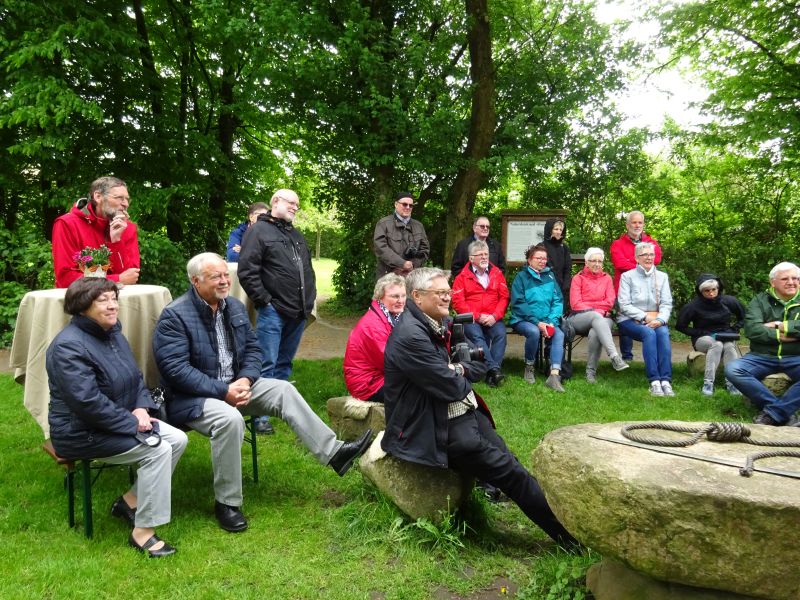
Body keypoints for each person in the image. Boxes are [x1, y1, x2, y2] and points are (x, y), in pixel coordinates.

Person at [153, 253, 371, 532]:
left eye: (225, 275)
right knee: (230, 420)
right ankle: (227, 503)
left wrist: (245, 380)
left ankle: (334, 452)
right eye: (216, 276)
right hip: (191, 399)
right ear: (196, 281)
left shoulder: (233, 307)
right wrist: (224, 390)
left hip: (235, 387)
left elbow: (253, 350)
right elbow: (176, 370)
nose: (224, 281)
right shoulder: (175, 315)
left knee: (282, 390)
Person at [382, 267, 578, 549]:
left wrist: (457, 368)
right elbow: (452, 386)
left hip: (457, 411)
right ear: (417, 296)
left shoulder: (438, 321)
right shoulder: (411, 335)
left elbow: (481, 362)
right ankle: (573, 540)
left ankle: (569, 531)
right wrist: (459, 370)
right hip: (431, 426)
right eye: (440, 293)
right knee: (512, 474)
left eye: (448, 291)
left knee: (511, 464)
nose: (447, 297)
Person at [47, 278, 187, 557]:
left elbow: (135, 378)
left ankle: (129, 500)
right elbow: (88, 403)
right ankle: (142, 532)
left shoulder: (112, 333)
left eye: (114, 299)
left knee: (178, 439)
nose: (113, 306)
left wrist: (141, 408)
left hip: (115, 422)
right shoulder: (68, 348)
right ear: (82, 307)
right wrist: (133, 423)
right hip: (80, 432)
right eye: (103, 301)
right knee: (158, 449)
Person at [237, 189, 315, 434]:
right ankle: (259, 415)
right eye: (291, 202)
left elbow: (307, 269)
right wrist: (265, 301)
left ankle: (278, 407)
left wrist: (309, 299)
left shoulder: (296, 234)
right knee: (266, 363)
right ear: (276, 202)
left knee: (284, 363)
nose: (295, 207)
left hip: (298, 311)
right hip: (273, 311)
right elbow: (246, 271)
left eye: (297, 204)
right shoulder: (258, 231)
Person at [725, 262, 800, 426]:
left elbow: (761, 329)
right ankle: (784, 412)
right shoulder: (759, 300)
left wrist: (779, 325)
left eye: (795, 278)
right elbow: (752, 330)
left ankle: (774, 414)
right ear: (773, 282)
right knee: (733, 369)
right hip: (761, 356)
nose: (792, 282)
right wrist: (784, 336)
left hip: (796, 356)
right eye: (785, 279)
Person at [52, 176, 141, 288]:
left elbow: (131, 276)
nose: (126, 204)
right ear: (98, 197)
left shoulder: (127, 228)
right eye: (119, 198)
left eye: (127, 199)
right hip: (80, 297)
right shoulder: (68, 224)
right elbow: (66, 278)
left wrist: (116, 242)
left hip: (121, 296)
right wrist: (116, 280)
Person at [616, 242, 674, 396]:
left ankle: (666, 380)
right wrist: (646, 317)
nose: (649, 258)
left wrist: (661, 320)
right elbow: (624, 305)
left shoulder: (662, 277)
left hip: (656, 319)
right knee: (648, 333)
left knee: (662, 332)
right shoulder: (627, 277)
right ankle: (654, 381)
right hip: (629, 320)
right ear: (637, 258)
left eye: (651, 254)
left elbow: (666, 303)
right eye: (645, 255)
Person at [451, 240, 509, 387]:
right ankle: (494, 370)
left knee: (500, 334)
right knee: (477, 336)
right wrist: (477, 316)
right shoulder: (461, 277)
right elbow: (458, 302)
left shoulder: (497, 273)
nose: (484, 257)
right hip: (472, 318)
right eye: (480, 255)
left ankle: (492, 371)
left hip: (492, 317)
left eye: (486, 254)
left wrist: (495, 316)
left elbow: (504, 297)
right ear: (471, 258)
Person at [676, 274, 746, 396]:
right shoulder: (693, 306)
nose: (711, 293)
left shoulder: (728, 301)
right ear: (701, 291)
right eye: (707, 291)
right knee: (717, 345)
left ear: (718, 288)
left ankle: (732, 384)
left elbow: (745, 316)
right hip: (703, 338)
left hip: (725, 335)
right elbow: (680, 326)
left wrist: (734, 329)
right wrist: (701, 332)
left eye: (714, 289)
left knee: (730, 347)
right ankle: (708, 384)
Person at [509, 244, 566, 392]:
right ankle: (529, 366)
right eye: (538, 258)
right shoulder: (521, 277)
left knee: (559, 334)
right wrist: (537, 322)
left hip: (547, 320)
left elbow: (558, 301)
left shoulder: (550, 276)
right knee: (534, 332)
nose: (542, 261)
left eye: (544, 258)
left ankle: (554, 375)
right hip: (523, 319)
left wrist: (551, 322)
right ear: (529, 260)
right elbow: (519, 303)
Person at [568, 247, 628, 382]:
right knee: (596, 316)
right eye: (593, 261)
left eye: (599, 261)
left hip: (603, 317)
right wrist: (597, 309)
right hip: (580, 318)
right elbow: (576, 304)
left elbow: (610, 302)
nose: (597, 264)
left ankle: (590, 373)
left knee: (595, 332)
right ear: (586, 262)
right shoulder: (578, 278)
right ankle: (614, 356)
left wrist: (594, 307)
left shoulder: (607, 279)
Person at [343, 273, 407, 402]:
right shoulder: (373, 325)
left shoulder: (391, 315)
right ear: (380, 297)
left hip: (381, 376)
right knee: (420, 392)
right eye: (395, 296)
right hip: (368, 384)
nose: (401, 301)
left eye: (403, 295)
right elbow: (391, 362)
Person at [610, 211, 662, 360]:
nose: (637, 225)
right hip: (624, 289)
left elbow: (656, 259)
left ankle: (652, 355)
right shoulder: (617, 244)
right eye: (634, 222)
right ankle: (627, 356)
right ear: (627, 225)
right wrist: (642, 263)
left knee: (650, 319)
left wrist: (631, 261)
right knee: (626, 319)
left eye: (640, 222)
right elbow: (620, 263)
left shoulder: (652, 243)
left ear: (643, 224)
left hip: (647, 290)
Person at [373, 192, 429, 278]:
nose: (408, 207)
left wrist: (412, 264)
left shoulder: (419, 226)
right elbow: (380, 248)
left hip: (412, 276)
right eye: (404, 204)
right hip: (388, 276)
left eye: (411, 205)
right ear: (396, 204)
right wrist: (402, 263)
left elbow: (425, 249)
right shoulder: (383, 223)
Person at [543, 218, 572, 301]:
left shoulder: (564, 247)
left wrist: (566, 285)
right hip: (545, 286)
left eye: (560, 230)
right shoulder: (541, 246)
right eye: (556, 229)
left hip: (561, 287)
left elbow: (568, 268)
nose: (559, 232)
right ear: (550, 230)